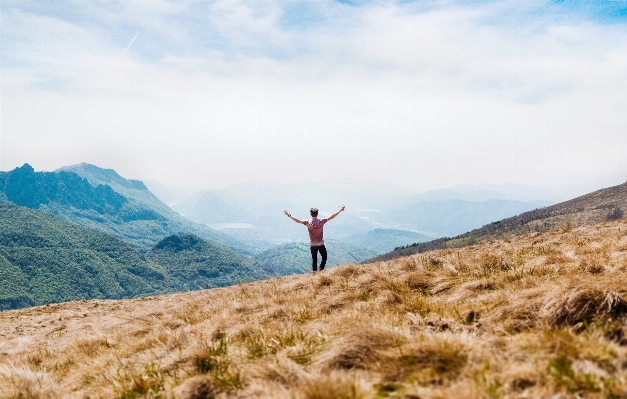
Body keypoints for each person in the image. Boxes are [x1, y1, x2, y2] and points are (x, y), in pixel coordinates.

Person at [284, 206, 346, 272]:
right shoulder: (321, 221)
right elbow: (332, 217)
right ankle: (321, 269)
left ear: (310, 214)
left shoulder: (307, 222)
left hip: (313, 244)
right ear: (317, 214)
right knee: (324, 257)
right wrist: (339, 210)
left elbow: (297, 221)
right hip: (320, 244)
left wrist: (288, 215)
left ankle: (314, 273)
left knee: (314, 260)